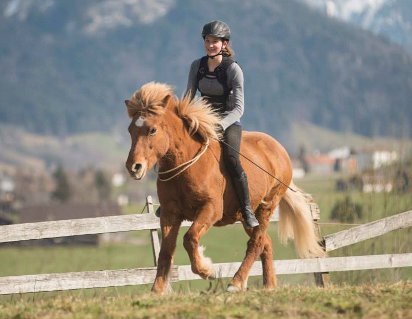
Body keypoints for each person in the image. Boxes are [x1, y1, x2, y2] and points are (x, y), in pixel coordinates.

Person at [157, 20, 259, 228]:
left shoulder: (233, 70)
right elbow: (187, 97)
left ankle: (246, 209)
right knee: (175, 150)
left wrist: (221, 124)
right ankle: (169, 200)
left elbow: (239, 108)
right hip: (203, 119)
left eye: (215, 41)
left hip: (227, 122)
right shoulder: (197, 66)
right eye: (208, 40)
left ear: (225, 44)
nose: (211, 45)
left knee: (231, 160)